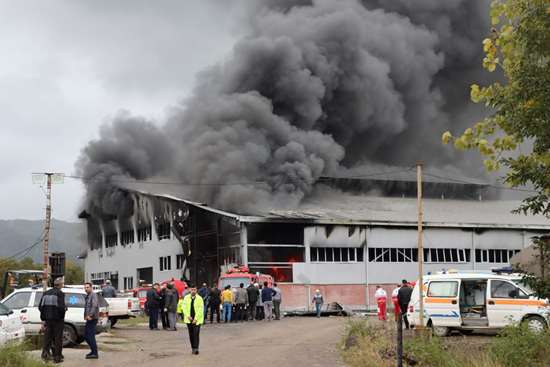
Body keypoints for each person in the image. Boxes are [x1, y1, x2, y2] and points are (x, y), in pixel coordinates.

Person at [38, 277, 66, 364]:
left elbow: (40, 307)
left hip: (47, 320)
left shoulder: (46, 293)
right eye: (62, 284)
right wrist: (62, 316)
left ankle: (45, 355)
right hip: (57, 320)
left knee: (47, 338)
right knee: (58, 339)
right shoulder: (60, 293)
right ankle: (57, 357)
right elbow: (61, 308)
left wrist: (45, 316)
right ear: (60, 285)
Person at [182, 284, 204, 355]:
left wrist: (196, 318)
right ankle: (193, 348)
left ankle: (196, 348)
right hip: (189, 319)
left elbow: (201, 309)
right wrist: (188, 316)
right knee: (191, 334)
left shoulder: (200, 298)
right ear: (189, 290)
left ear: (196, 290)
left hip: (197, 320)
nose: (193, 291)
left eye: (194, 290)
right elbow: (184, 307)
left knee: (196, 334)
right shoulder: (186, 298)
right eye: (192, 289)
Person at [84, 282, 99, 359]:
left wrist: (90, 315)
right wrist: (86, 316)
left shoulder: (94, 295)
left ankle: (95, 353)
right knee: (86, 336)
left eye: (87, 287)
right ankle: (93, 351)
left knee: (90, 336)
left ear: (91, 287)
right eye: (85, 287)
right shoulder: (88, 296)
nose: (86, 289)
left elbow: (94, 305)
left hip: (93, 318)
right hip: (88, 318)